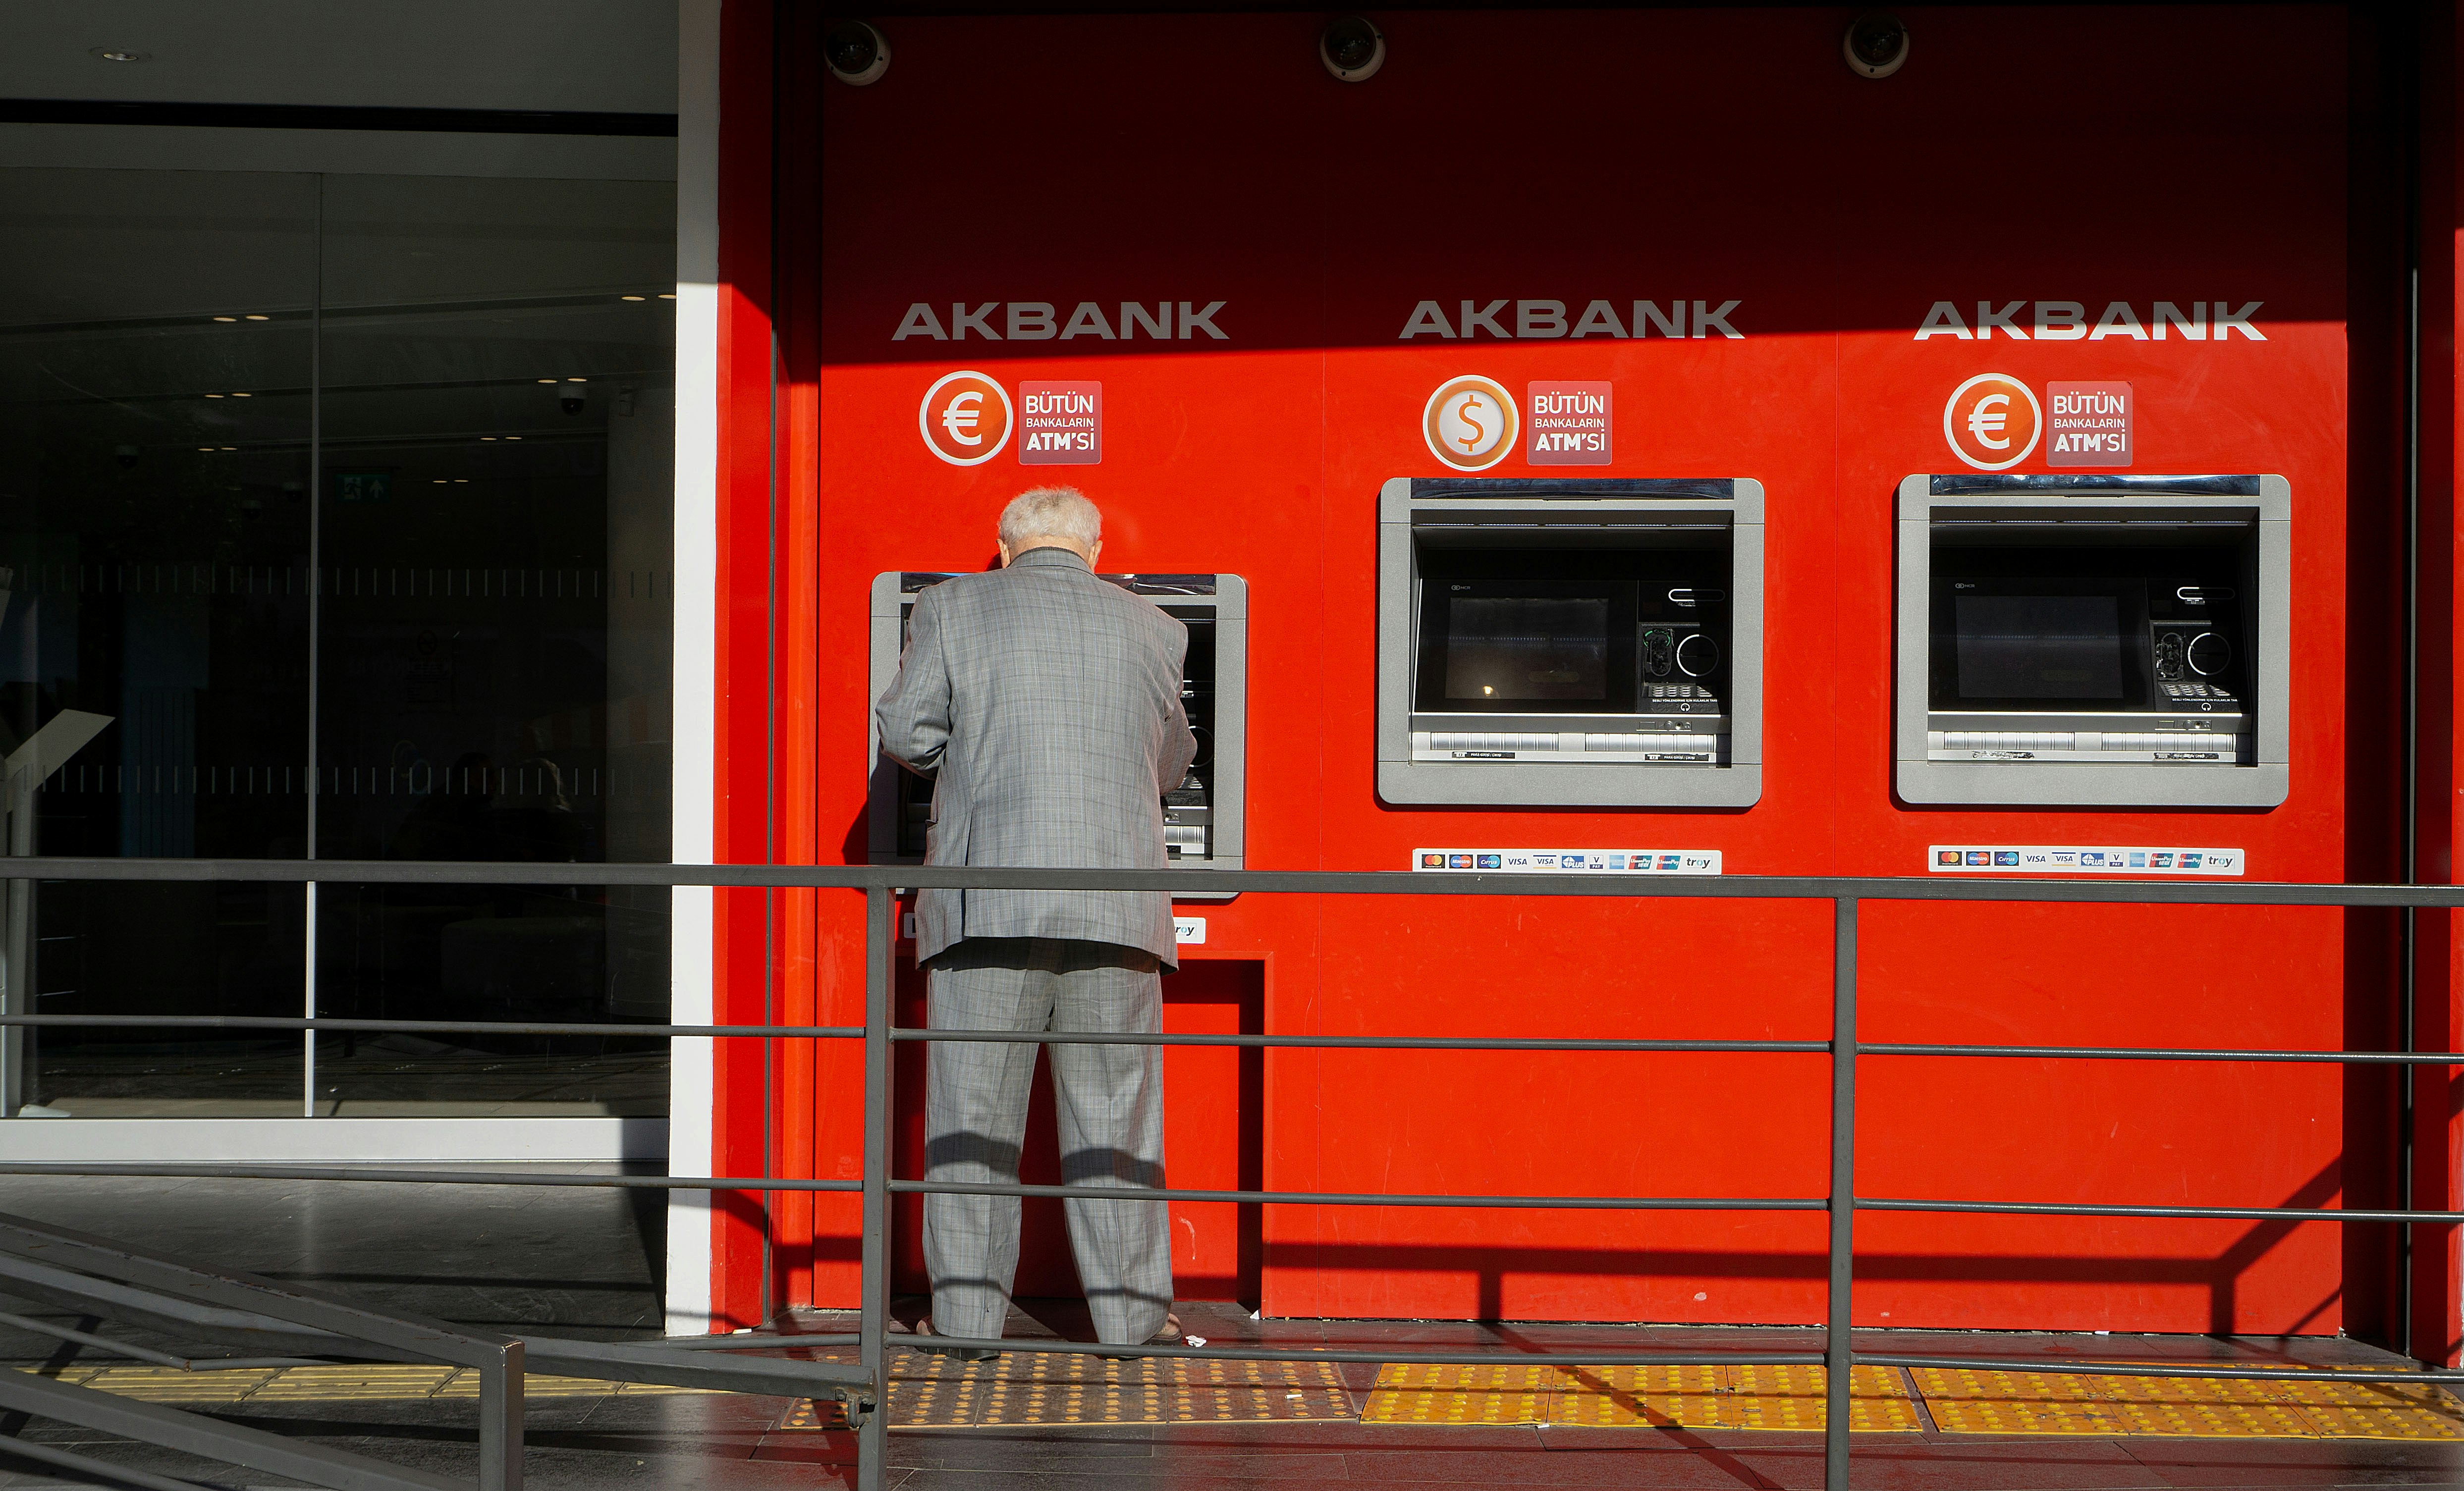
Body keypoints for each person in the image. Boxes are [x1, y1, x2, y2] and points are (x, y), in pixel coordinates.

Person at [874, 486, 1196, 1357]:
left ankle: (969, 1321)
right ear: (1095, 550)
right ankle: (1130, 1319)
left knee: (971, 1124)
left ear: (1002, 545)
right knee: (1116, 1124)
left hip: (989, 902)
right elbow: (1169, 764)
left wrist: (968, 764)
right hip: (1116, 905)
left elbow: (906, 731)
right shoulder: (1156, 628)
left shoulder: (950, 606)